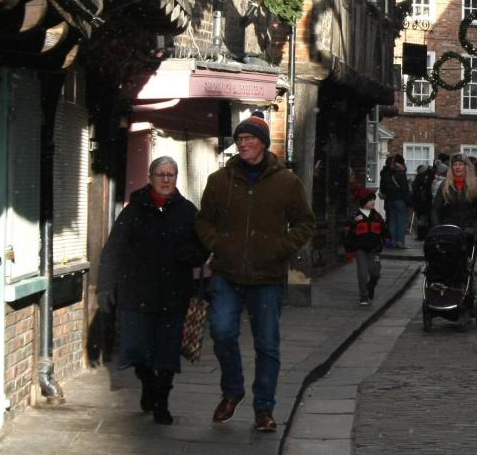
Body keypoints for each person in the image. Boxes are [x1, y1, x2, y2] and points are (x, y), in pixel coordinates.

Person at [196, 113, 316, 432]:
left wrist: (280, 248)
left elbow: (305, 222)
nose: (242, 144)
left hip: (267, 277)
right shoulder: (219, 181)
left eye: (248, 138)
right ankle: (232, 391)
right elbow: (203, 221)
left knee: (267, 344)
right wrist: (218, 244)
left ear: (262, 143)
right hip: (227, 272)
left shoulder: (286, 182)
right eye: (239, 139)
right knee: (221, 332)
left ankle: (264, 408)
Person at [96, 156, 208, 425]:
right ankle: (148, 382)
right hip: (137, 292)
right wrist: (105, 286)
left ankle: (161, 401)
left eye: (171, 175)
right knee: (137, 349)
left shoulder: (187, 211)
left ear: (176, 178)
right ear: (150, 177)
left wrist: (190, 254)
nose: (166, 180)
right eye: (161, 174)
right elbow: (113, 249)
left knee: (168, 351)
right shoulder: (134, 210)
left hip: (174, 293)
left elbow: (203, 250)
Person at [344, 184, 387, 305]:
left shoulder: (377, 216)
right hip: (360, 249)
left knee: (375, 272)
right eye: (370, 200)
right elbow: (349, 234)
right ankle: (363, 295)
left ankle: (370, 286)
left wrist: (387, 238)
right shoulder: (355, 217)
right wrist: (349, 250)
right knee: (362, 273)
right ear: (363, 202)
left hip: (374, 249)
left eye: (373, 199)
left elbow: (384, 229)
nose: (373, 202)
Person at [430, 153, 477, 237]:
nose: (457, 167)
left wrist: (475, 228)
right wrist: (438, 228)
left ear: (466, 166)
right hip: (449, 232)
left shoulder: (476, 185)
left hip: (469, 233)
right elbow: (436, 209)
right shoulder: (445, 185)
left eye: (460, 164)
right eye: (454, 165)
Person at [379, 154, 411, 249]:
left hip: (389, 200)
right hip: (399, 200)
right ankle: (400, 242)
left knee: (392, 222)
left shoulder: (386, 173)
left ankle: (391, 242)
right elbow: (405, 189)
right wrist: (408, 202)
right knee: (400, 222)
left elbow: (383, 188)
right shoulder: (401, 174)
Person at [411, 164, 434, 241]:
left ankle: (421, 235)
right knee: (424, 219)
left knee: (422, 219)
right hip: (425, 202)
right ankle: (423, 235)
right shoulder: (428, 176)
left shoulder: (421, 178)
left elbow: (416, 188)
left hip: (421, 202)